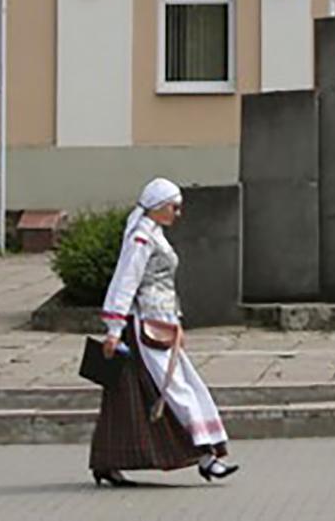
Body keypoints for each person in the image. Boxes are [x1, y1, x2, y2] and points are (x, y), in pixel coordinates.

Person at [89, 177, 238, 487]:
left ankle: (110, 460)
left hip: (159, 324)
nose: (178, 213)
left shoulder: (153, 234)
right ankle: (206, 457)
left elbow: (164, 284)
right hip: (143, 329)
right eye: (174, 207)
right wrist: (114, 329)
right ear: (157, 207)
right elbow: (125, 281)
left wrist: (176, 321)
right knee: (175, 391)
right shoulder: (141, 238)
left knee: (131, 398)